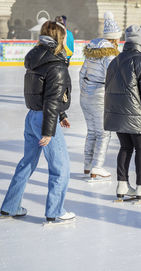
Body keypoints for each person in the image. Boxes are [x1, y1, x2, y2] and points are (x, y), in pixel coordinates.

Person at [0, 21, 75, 223]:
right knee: (60, 168)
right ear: (60, 38)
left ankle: (10, 206)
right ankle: (55, 211)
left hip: (32, 117)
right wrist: (49, 130)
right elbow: (51, 101)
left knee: (27, 163)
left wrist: (62, 115)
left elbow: (42, 95)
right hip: (44, 120)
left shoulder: (35, 58)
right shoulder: (57, 65)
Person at [104, 24, 141, 201]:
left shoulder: (115, 61)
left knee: (125, 147)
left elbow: (107, 89)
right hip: (137, 116)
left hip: (116, 115)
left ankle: (122, 184)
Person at [79, 11, 121, 180]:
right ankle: (97, 166)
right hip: (99, 96)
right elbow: (111, 77)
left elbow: (82, 73)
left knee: (91, 132)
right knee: (103, 133)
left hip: (85, 96)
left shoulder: (92, 50)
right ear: (115, 39)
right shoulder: (110, 53)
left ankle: (87, 166)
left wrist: (85, 91)